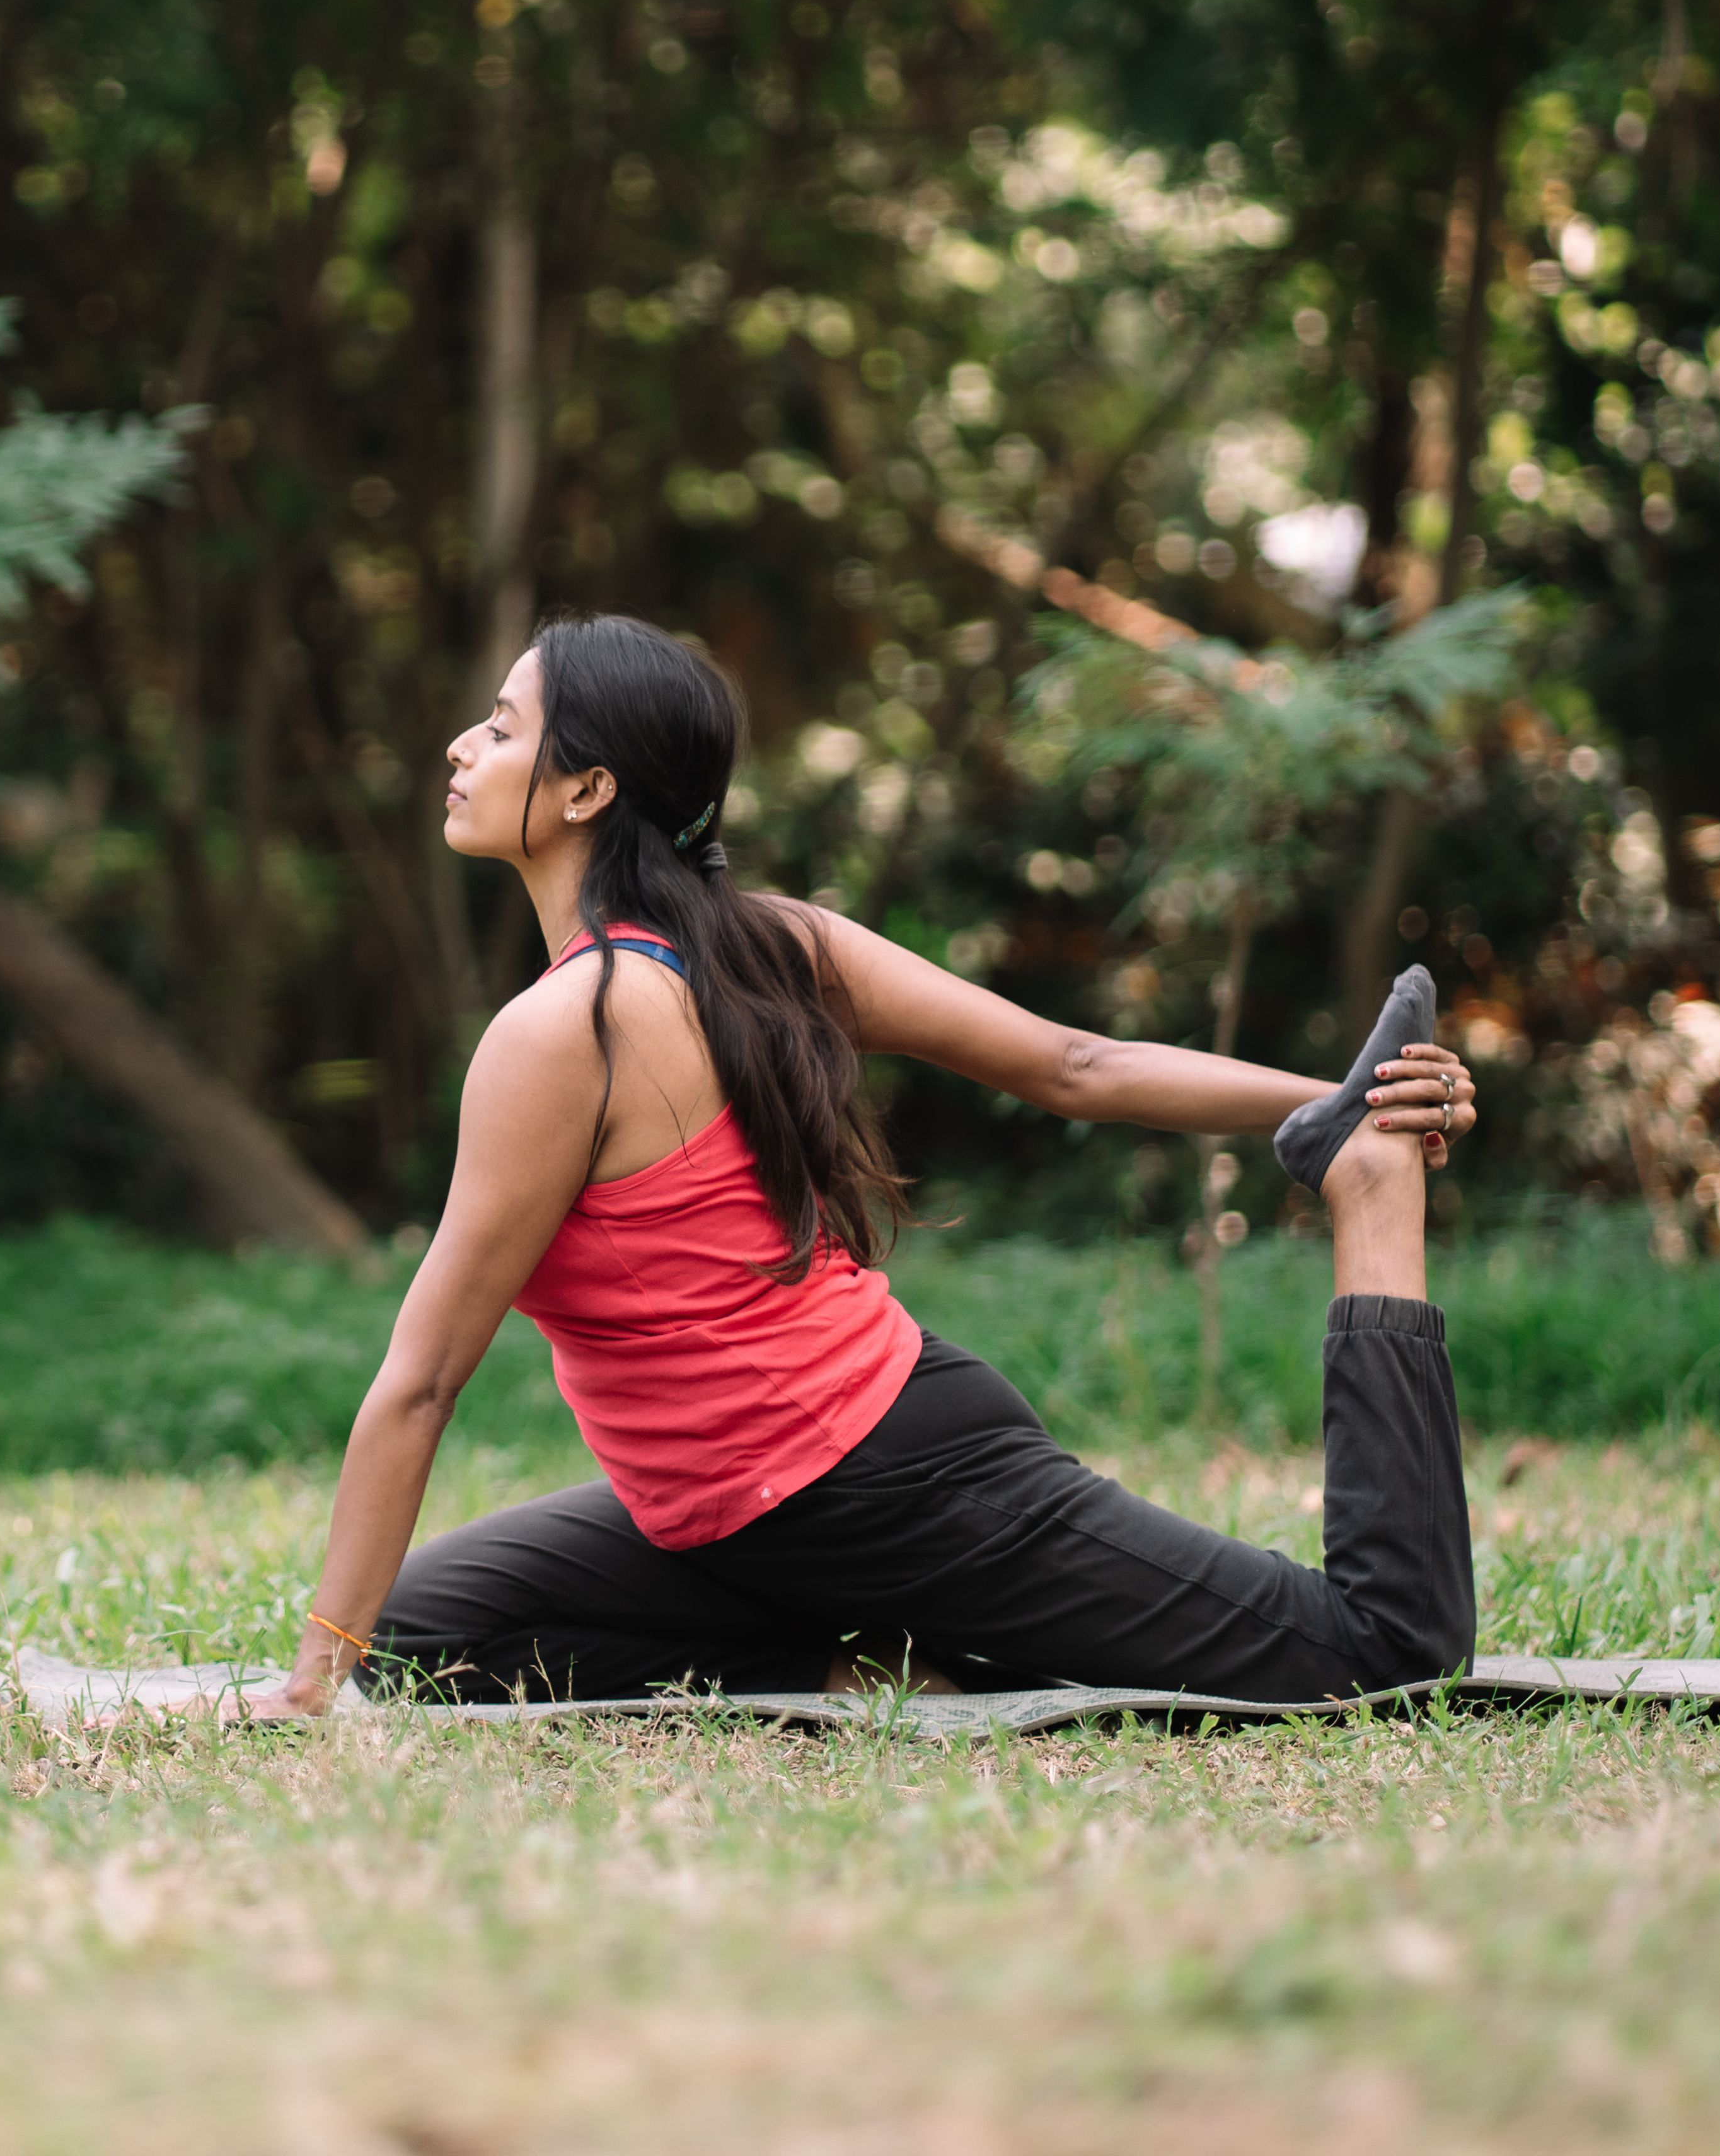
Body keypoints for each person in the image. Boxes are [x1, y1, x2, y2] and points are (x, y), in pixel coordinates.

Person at [241, 611, 1484, 1719]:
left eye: (502, 729)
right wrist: (338, 1655)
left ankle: (1371, 1201)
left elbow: (420, 1381)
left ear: (586, 791)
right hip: (723, 1524)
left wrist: (1347, 1122)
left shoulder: (578, 1025)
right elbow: (1078, 1066)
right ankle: (869, 1659)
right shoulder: (752, 950)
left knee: (1377, 1654)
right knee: (408, 1643)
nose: (462, 746)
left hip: (900, 1479)